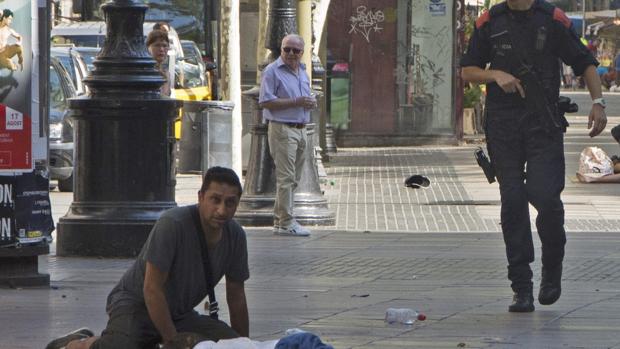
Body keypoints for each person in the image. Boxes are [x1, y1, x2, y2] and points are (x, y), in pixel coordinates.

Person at [461, 0, 607, 313]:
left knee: (546, 197)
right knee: (512, 201)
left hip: (543, 124)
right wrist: (496, 74)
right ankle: (521, 286)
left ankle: (552, 267)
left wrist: (599, 102)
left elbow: (585, 63)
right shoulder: (489, 21)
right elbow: (466, 70)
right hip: (503, 124)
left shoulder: (552, 19)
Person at [46, 167, 250, 349]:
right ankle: (78, 343)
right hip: (136, 304)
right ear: (201, 197)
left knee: (225, 343)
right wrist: (173, 341)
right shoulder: (173, 224)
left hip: (179, 313)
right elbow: (151, 289)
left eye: (230, 203)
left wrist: (244, 344)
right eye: (215, 200)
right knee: (123, 345)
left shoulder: (236, 235)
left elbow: (236, 295)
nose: (222, 210)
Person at [259, 34, 316, 237]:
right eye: (286, 49)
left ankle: (280, 220)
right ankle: (286, 221)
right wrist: (297, 102)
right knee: (286, 177)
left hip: (301, 128)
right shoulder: (272, 71)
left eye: (295, 50)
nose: (290, 54)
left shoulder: (302, 71)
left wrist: (309, 102)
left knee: (293, 178)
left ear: (302, 53)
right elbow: (265, 101)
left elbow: (303, 99)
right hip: (282, 128)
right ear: (281, 49)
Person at [147, 29, 171, 96]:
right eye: (157, 45)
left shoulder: (166, 73)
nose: (161, 49)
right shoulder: (145, 72)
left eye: (165, 46)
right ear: (148, 48)